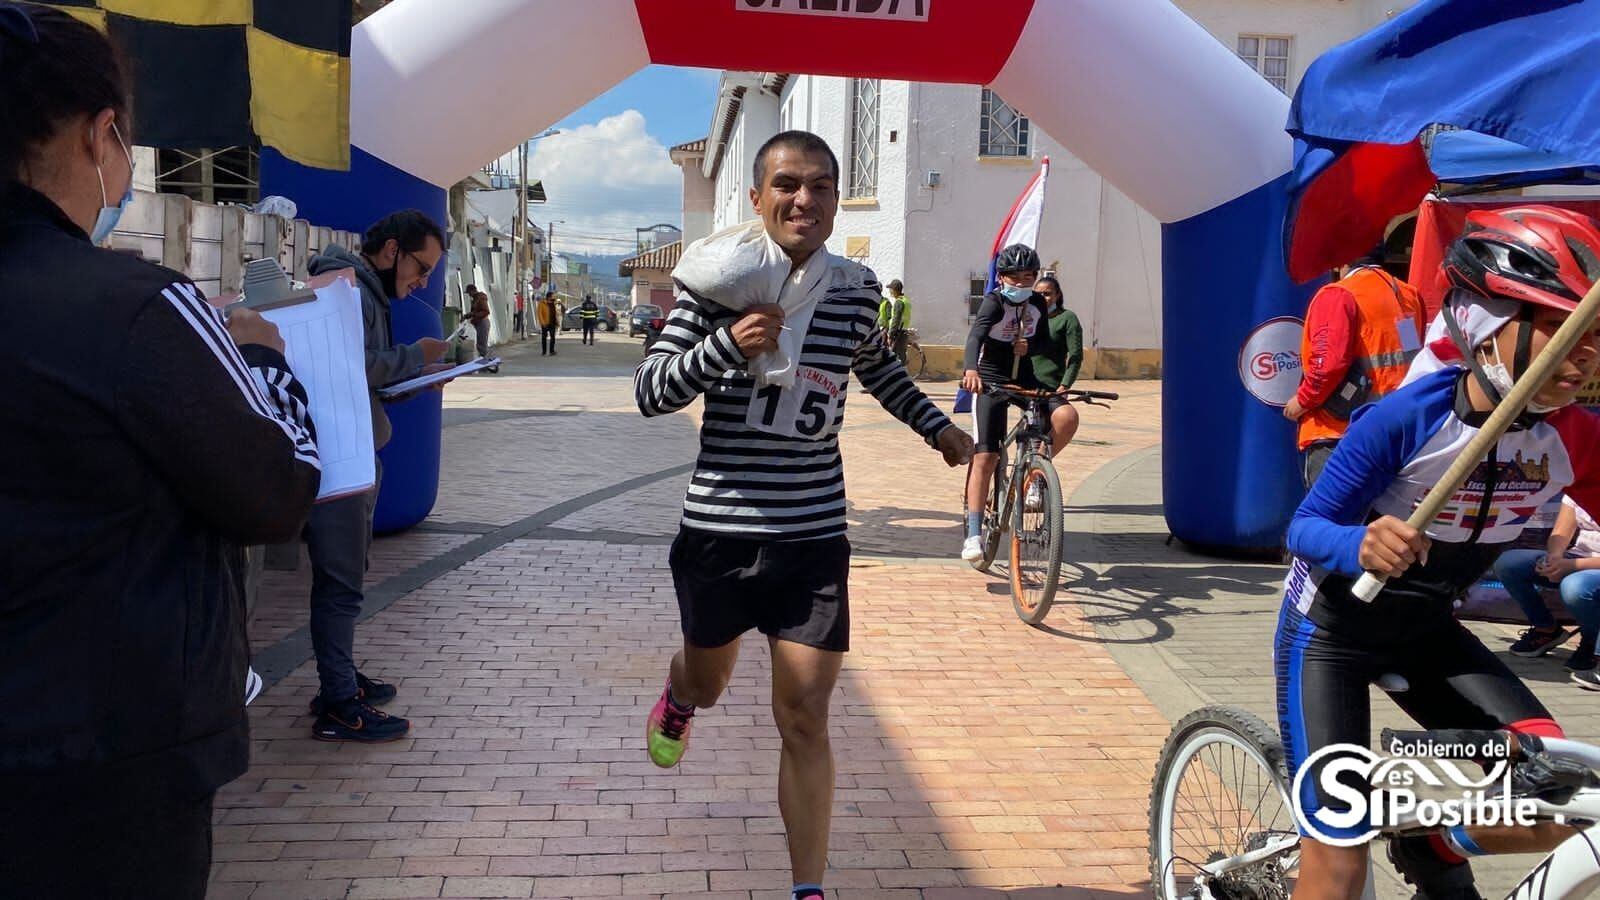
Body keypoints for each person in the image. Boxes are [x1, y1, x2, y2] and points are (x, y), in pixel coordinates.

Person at [0, 5, 322, 895]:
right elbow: (275, 491)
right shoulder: (136, 305)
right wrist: (262, 361)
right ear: (99, 135)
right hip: (109, 762)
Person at [634, 130, 973, 900]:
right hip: (721, 534)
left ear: (835, 200)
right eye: (787, 184)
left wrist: (939, 430)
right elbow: (651, 393)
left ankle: (807, 889)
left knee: (806, 716)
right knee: (711, 682)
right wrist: (726, 344)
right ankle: (682, 697)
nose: (804, 200)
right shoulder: (716, 287)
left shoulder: (853, 291)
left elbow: (879, 368)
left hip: (812, 535)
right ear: (757, 198)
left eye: (820, 186)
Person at [1278, 206, 1600, 899]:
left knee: (1557, 796)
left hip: (1428, 632)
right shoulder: (1407, 417)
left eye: (1595, 335)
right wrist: (1359, 541)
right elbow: (1303, 528)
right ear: (1485, 328)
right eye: (1562, 329)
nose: (1584, 356)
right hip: (1331, 635)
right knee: (1340, 861)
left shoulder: (1573, 434)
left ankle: (1434, 841)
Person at [303, 210, 450, 743]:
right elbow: (349, 368)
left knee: (343, 580)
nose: (423, 282)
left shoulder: (361, 290)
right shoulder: (348, 290)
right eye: (421, 267)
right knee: (340, 584)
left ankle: (340, 680)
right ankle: (340, 705)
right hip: (340, 459)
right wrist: (414, 356)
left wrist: (418, 377)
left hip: (351, 451)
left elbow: (362, 384)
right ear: (392, 251)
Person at [1284, 249, 1426, 487]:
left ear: (1343, 261)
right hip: (1394, 432)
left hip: (1338, 434)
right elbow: (1411, 356)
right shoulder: (1407, 294)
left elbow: (1327, 365)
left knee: (1332, 511)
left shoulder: (1338, 295)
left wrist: (1302, 401)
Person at [958, 244, 1062, 563]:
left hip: (1025, 377)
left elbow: (1044, 341)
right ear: (1002, 277)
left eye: (1028, 276)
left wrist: (1030, 346)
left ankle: (1035, 474)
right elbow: (975, 337)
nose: (1021, 283)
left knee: (1054, 418)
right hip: (991, 378)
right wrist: (971, 370)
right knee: (986, 455)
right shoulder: (994, 302)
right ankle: (973, 534)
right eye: (1014, 277)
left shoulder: (1037, 303)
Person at [1493, 494, 1600, 679]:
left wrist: (1571, 566)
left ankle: (1591, 644)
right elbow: (1561, 533)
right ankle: (1547, 630)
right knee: (1508, 564)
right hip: (1576, 557)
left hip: (1588, 566)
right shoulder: (1581, 489)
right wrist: (1554, 558)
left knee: (1574, 587)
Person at [877, 278, 911, 364]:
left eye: (890, 289)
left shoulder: (899, 302)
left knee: (895, 358)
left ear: (895, 290)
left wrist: (891, 335)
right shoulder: (905, 300)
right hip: (903, 331)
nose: (889, 291)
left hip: (898, 333)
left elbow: (896, 320)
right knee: (901, 356)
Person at [469, 287, 492, 359]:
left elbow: (486, 311)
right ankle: (483, 359)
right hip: (479, 322)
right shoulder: (475, 299)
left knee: (482, 343)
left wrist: (474, 315)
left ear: (473, 291)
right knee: (480, 343)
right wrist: (467, 316)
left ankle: (484, 360)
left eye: (469, 292)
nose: (469, 295)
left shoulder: (480, 298)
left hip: (482, 322)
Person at [537, 289, 560, 355]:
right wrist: (542, 323)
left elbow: (556, 313)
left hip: (552, 323)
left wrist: (557, 322)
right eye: (553, 296)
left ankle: (551, 351)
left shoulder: (554, 303)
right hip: (545, 323)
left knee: (553, 337)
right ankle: (544, 351)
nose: (554, 297)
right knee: (544, 337)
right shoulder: (542, 303)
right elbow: (539, 314)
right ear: (549, 297)